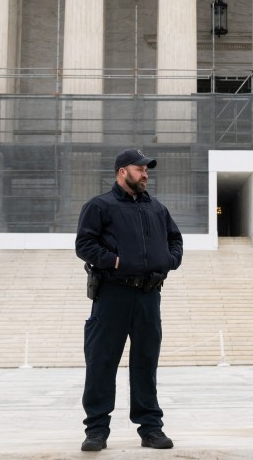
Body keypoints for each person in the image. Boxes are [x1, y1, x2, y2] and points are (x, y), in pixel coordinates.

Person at [75, 148, 183, 452]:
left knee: (146, 362)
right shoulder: (100, 206)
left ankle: (151, 428)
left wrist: (170, 260)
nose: (146, 174)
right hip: (113, 294)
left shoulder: (157, 208)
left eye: (147, 170)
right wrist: (115, 261)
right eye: (140, 169)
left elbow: (175, 239)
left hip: (149, 295)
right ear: (123, 171)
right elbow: (84, 244)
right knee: (102, 361)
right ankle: (96, 429)